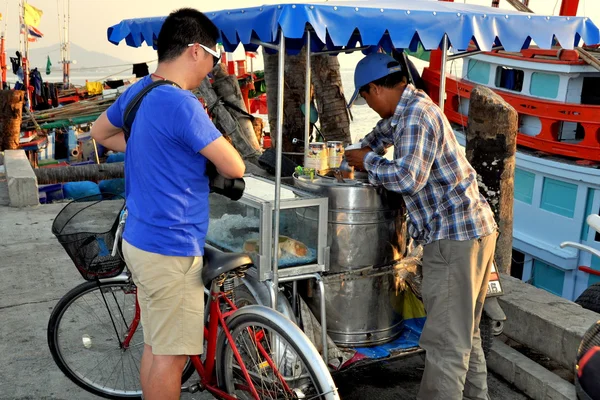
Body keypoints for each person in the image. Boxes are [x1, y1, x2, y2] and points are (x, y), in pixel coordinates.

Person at [91, 8, 245, 400]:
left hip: (140, 238)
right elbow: (234, 163)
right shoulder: (181, 104)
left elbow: (100, 132)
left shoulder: (138, 91)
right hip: (171, 248)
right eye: (215, 56)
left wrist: (152, 148)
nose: (213, 67)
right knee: (172, 358)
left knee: (157, 347)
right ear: (195, 50)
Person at [345, 52, 498, 400]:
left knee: (445, 343)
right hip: (473, 232)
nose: (369, 106)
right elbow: (380, 134)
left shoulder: (416, 116)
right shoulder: (409, 108)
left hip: (453, 238)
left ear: (374, 89)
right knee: (464, 335)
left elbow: (407, 178)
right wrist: (361, 149)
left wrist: (367, 161)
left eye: (366, 98)